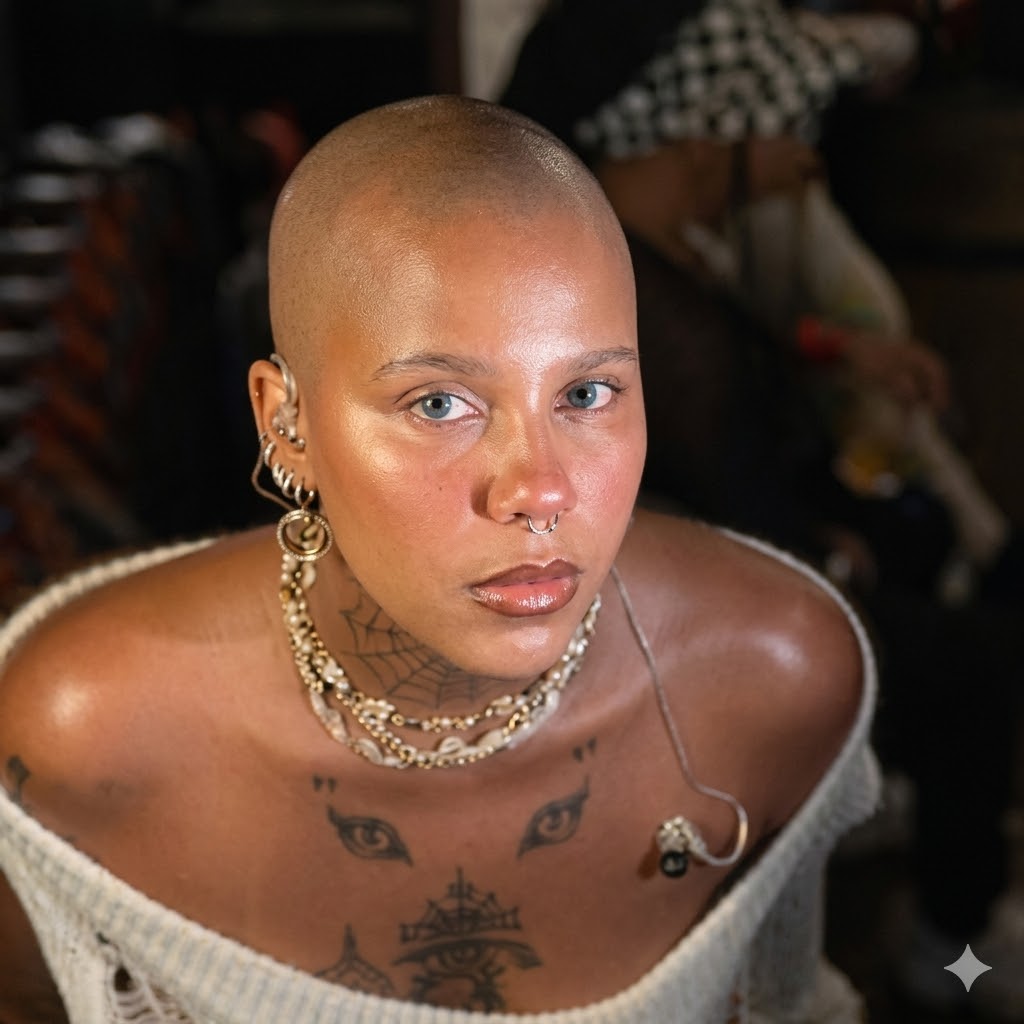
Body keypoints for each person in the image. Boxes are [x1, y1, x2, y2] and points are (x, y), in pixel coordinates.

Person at [0, 96, 876, 1022]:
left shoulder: (777, 675)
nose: (540, 490)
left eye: (586, 393)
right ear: (286, 425)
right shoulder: (82, 733)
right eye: (439, 404)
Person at [500, 1, 1024, 1017]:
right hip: (690, 626)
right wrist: (829, 557)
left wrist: (835, 362)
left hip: (717, 583)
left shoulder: (640, 251)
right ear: (702, 131)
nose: (793, 146)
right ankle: (948, 945)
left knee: (925, 555)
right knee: (969, 665)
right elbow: (711, 496)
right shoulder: (630, 295)